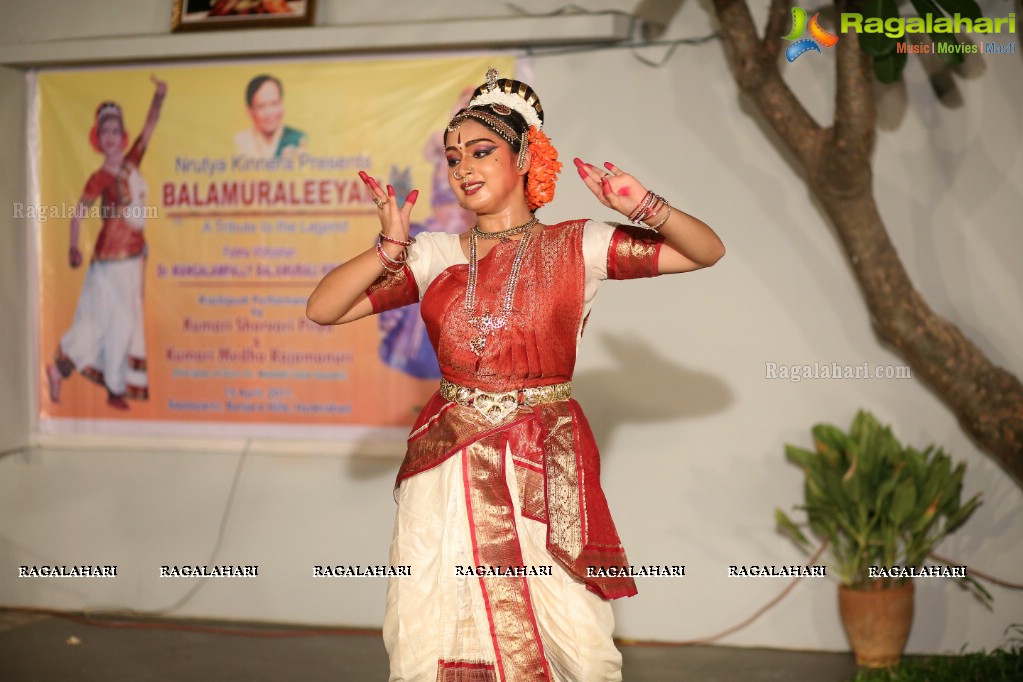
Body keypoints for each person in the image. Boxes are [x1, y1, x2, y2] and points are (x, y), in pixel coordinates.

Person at [306, 68, 724, 681]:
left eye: (481, 152)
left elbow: (704, 251)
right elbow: (324, 308)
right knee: (429, 620)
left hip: (543, 458)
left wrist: (643, 206)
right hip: (447, 464)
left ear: (525, 155)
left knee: (579, 637)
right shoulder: (435, 255)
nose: (464, 169)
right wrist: (388, 248)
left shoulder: (576, 245)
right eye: (453, 159)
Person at [47, 76, 167, 411]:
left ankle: (114, 386)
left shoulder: (132, 162)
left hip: (131, 259)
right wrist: (73, 246)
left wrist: (159, 97)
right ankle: (59, 368)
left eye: (116, 131)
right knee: (100, 321)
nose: (111, 137)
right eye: (105, 132)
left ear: (122, 136)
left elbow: (150, 128)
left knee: (125, 323)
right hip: (108, 261)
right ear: (98, 139)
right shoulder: (99, 177)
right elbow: (77, 214)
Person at [234, 74, 305, 159]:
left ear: (282, 105)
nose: (269, 113)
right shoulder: (241, 142)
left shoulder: (298, 139)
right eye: (261, 106)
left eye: (274, 104)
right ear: (250, 112)